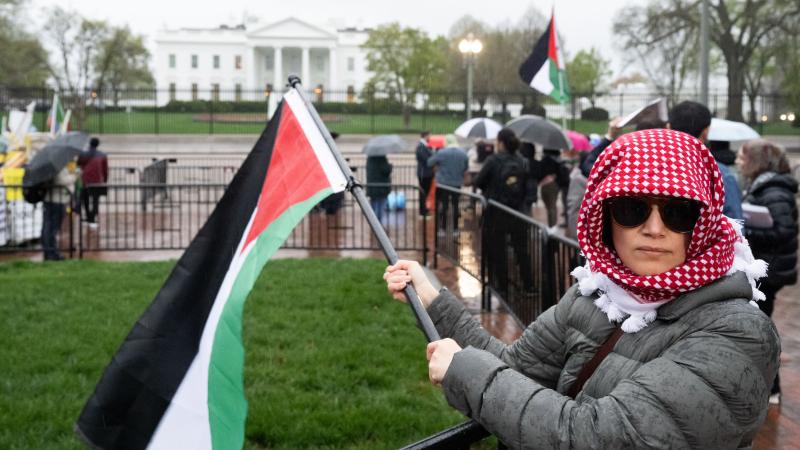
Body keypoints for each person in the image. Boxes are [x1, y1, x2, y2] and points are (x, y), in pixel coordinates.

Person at [384, 128, 779, 449]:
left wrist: (465, 370)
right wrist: (433, 298)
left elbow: (598, 436)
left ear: (703, 222)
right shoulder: (599, 293)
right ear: (605, 217)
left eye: (678, 212)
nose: (655, 229)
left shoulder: (738, 332)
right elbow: (516, 370)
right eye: (633, 209)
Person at [736, 139, 798, 405]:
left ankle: (771, 387)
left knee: (761, 331)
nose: (738, 161)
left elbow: (784, 231)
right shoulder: (763, 185)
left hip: (771, 271)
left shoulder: (774, 190)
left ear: (757, 161)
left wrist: (746, 228)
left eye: (743, 156)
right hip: (768, 266)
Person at [668, 101, 742, 220]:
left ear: (668, 127)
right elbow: (735, 227)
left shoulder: (652, 168)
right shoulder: (720, 174)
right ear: (706, 131)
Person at [472, 128, 527, 211]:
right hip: (516, 207)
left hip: (494, 205)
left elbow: (479, 181)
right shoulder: (522, 161)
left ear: (501, 143)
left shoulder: (493, 160)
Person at [427, 135, 468, 230]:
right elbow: (465, 167)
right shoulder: (463, 153)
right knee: (456, 205)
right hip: (457, 183)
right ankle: (455, 228)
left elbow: (429, 162)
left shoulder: (442, 152)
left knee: (443, 205)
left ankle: (443, 227)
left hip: (443, 184)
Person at [42, 162, 78, 260]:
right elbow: (61, 180)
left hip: (54, 199)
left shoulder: (53, 165)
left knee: (49, 227)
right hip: (56, 200)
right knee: (52, 228)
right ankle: (51, 253)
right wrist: (74, 176)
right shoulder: (57, 165)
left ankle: (49, 252)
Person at [77, 137, 108, 228]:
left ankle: (88, 216)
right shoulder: (102, 155)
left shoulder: (84, 154)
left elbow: (78, 163)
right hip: (97, 180)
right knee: (95, 200)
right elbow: (105, 170)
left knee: (85, 199)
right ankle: (92, 217)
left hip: (85, 180)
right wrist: (105, 180)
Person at [366, 154, 392, 224]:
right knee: (380, 207)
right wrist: (390, 166)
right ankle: (377, 225)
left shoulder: (370, 158)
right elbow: (385, 170)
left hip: (372, 187)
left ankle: (373, 223)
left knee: (374, 206)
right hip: (381, 188)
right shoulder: (381, 158)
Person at [415, 131, 434, 216]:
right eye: (429, 135)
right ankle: (422, 211)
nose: (430, 137)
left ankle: (424, 209)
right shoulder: (421, 146)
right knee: (423, 192)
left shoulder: (424, 146)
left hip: (427, 173)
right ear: (425, 136)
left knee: (425, 192)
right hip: (424, 174)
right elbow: (426, 160)